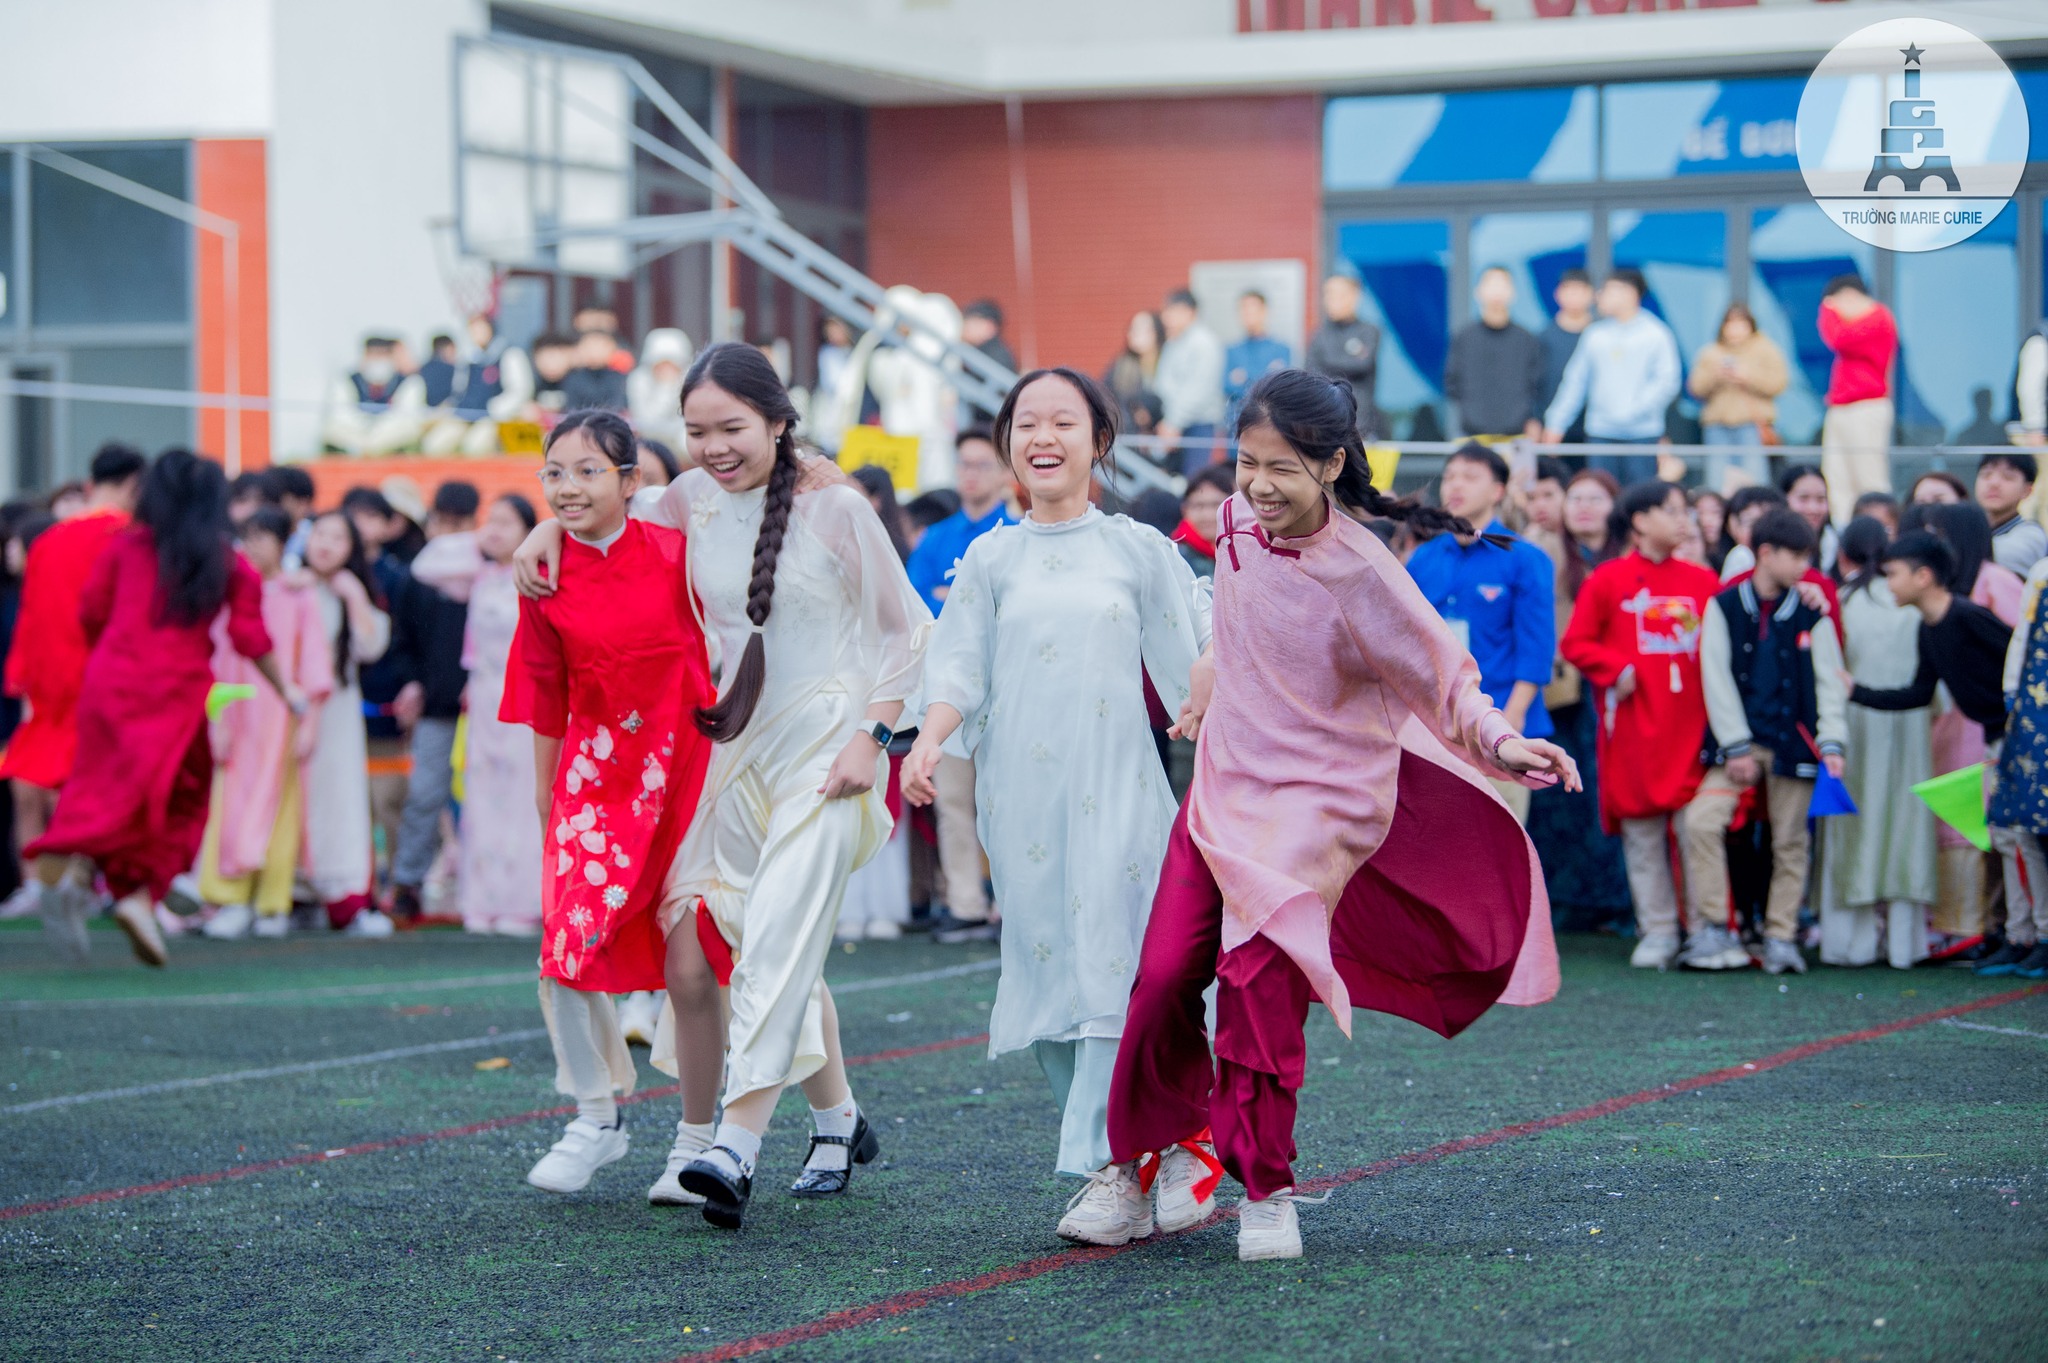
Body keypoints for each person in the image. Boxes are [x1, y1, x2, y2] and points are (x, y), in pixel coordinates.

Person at [1108, 369, 1569, 1261]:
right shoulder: (1234, 524)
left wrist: (1504, 741)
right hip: (1224, 788)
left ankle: (1265, 1189)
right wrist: (1208, 679)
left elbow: (1445, 677)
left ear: (1329, 465)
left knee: (1256, 987)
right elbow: (1233, 626)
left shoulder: (1364, 571)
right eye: (1246, 462)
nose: (1257, 485)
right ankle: (1151, 1157)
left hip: (1316, 805)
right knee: (1161, 977)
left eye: (1280, 467)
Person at [517, 345, 930, 1229]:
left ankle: (732, 1142)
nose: (713, 447)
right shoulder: (688, 499)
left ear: (778, 420)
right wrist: (543, 530)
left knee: (775, 925)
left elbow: (909, 632)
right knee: (732, 934)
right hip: (733, 749)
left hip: (832, 749)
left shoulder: (837, 508)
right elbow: (602, 517)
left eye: (732, 427)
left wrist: (874, 738)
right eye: (697, 430)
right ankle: (837, 1116)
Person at [902, 366, 1209, 1246]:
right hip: (1022, 805)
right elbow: (957, 666)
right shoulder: (990, 559)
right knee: (1048, 978)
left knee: (1117, 964)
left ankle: (1117, 1165)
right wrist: (928, 740)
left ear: (1098, 441)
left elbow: (1195, 640)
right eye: (1026, 422)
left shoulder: (1136, 549)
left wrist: (1204, 688)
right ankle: (1160, 1147)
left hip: (1119, 790)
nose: (1042, 436)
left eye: (1063, 421)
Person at [497, 412, 720, 1199]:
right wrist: (547, 794)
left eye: (589, 470)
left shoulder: (682, 553)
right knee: (566, 948)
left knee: (695, 963)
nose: (568, 488)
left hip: (692, 774)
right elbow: (544, 692)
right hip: (595, 785)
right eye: (554, 472)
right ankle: (596, 1117)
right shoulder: (543, 576)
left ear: (632, 481)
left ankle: (698, 1141)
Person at [26, 452, 298, 966]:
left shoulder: (124, 549)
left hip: (111, 684)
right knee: (176, 798)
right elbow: (250, 637)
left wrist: (110, 661)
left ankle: (77, 860)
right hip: (175, 692)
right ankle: (135, 890)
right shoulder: (224, 561)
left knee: (102, 788)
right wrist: (287, 690)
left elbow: (91, 611)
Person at [1559, 480, 1724, 969]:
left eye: (1685, 510)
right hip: (1633, 731)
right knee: (1643, 836)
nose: (1683, 520)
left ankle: (1703, 929)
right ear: (1639, 520)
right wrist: (1616, 669)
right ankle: (1658, 929)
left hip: (1693, 730)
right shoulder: (1607, 580)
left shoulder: (1704, 582)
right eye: (1670, 510)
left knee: (1694, 833)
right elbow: (1576, 643)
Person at [1681, 508, 1848, 976]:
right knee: (1701, 821)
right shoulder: (1724, 605)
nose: (1804, 567)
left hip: (1795, 743)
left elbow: (1830, 683)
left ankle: (1780, 935)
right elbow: (1715, 676)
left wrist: (1832, 742)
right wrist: (1735, 746)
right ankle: (1716, 927)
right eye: (1796, 556)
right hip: (1743, 742)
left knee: (1791, 842)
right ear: (1766, 553)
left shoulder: (1812, 610)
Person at [3, 442, 144, 931]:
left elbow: (31, 619)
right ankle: (89, 882)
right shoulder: (130, 538)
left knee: (36, 786)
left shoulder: (49, 541)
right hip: (107, 683)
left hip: (50, 687)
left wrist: (24, 683)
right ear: (134, 485)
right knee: (103, 790)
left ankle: (42, 884)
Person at [197, 508, 332, 941]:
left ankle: (273, 902)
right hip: (237, 715)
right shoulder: (230, 594)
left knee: (280, 808)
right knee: (230, 807)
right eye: (247, 538)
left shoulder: (298, 595)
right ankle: (230, 899)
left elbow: (314, 663)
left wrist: (308, 723)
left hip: (280, 718)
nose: (253, 547)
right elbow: (217, 658)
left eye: (263, 537)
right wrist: (216, 720)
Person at [902, 429, 1014, 943]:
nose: (971, 474)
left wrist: (952, 596)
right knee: (952, 801)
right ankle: (966, 903)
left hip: (1006, 688)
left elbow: (1004, 608)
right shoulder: (937, 537)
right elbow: (915, 602)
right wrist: (957, 599)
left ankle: (1009, 904)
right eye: (964, 464)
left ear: (1004, 472)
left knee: (1008, 800)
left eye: (982, 464)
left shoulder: (1016, 532)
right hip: (946, 687)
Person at [1406, 442, 1556, 821]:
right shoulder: (1424, 558)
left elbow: (1536, 650)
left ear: (1498, 491)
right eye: (1450, 477)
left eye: (1470, 477)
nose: (1455, 485)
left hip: (1503, 721)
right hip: (1436, 730)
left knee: (1500, 840)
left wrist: (1511, 720)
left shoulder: (1524, 558)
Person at [1819, 517, 1934, 970]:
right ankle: (1906, 945)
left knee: (1853, 828)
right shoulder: (1911, 602)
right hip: (1911, 726)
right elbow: (1936, 691)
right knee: (1906, 826)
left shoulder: (1840, 601)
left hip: (1854, 726)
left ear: (1843, 554)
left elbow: (1829, 673)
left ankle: (1850, 945)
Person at [1524, 468, 1631, 932]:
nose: (1584, 507)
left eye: (1595, 498)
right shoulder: (1545, 549)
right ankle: (1565, 898)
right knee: (1560, 797)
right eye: (1576, 498)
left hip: (1618, 688)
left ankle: (1616, 900)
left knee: (1608, 792)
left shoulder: (1627, 556)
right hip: (1562, 689)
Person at [386, 482, 479, 922]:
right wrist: (412, 684)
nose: (452, 533)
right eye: (445, 522)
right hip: (436, 709)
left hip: (490, 710)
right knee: (424, 796)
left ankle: (482, 888)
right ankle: (408, 883)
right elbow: (402, 639)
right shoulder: (418, 577)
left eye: (461, 524)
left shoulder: (488, 572)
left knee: (487, 800)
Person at [299, 510, 395, 936]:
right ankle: (291, 894)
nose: (325, 544)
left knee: (336, 799)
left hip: (335, 716)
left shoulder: (348, 590)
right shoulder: (289, 586)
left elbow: (370, 646)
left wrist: (354, 595)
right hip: (287, 711)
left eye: (338, 538)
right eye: (320, 533)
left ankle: (343, 896)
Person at [453, 493, 543, 937]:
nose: (495, 530)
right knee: (482, 796)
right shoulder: (480, 579)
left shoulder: (541, 577)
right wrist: (481, 539)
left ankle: (523, 902)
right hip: (484, 702)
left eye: (507, 522)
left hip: (528, 700)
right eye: (491, 521)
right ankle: (481, 900)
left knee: (524, 797)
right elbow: (427, 565)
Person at [1541, 270, 1681, 484]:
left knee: (1639, 496)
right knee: (1601, 493)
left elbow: (1667, 382)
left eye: (1606, 290)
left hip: (1642, 435)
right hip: (1601, 433)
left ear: (1629, 293)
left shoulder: (1656, 333)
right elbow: (1575, 382)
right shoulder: (1595, 334)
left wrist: (1632, 411)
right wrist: (1556, 423)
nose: (1599, 297)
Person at [1982, 554, 2048, 978]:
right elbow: (2023, 643)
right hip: (2036, 720)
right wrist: (2014, 704)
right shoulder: (2042, 574)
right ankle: (2031, 934)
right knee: (2026, 831)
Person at [1817, 275, 1898, 519]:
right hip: (1841, 406)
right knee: (1836, 479)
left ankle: (1879, 529)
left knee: (1869, 478)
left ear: (1851, 296)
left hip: (1866, 406)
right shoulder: (1864, 320)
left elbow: (1838, 338)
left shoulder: (1878, 317)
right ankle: (1845, 531)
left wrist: (1828, 309)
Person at [1687, 302, 1788, 491]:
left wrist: (1747, 376)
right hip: (1717, 426)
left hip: (1751, 425)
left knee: (1754, 481)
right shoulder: (1711, 352)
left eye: (1740, 323)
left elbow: (1779, 383)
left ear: (1751, 325)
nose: (1735, 329)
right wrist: (1716, 376)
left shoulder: (1765, 349)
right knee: (1717, 482)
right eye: (1730, 323)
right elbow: (1696, 388)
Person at [1443, 267, 1543, 441]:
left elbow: (1536, 384)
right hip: (1472, 436)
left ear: (1513, 292)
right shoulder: (1465, 338)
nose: (1497, 291)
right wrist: (1471, 412)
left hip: (1516, 437)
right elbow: (1452, 382)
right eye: (1491, 284)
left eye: (1502, 285)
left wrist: (1528, 417)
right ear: (1478, 292)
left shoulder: (1526, 340)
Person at [1155, 290, 1227, 477]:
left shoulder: (1204, 343)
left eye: (1172, 310)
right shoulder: (1173, 342)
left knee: (1195, 480)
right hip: (1171, 424)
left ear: (1190, 312)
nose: (1166, 317)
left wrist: (1174, 423)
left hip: (1198, 425)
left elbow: (1199, 390)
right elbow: (1162, 383)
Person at [1305, 273, 1380, 443]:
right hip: (1324, 425)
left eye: (1338, 294)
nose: (1330, 300)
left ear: (1355, 296)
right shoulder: (1319, 335)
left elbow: (1362, 365)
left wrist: (1326, 363)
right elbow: (1310, 373)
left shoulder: (1368, 331)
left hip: (1360, 427)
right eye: (1328, 294)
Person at [323, 335, 429, 454]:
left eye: (382, 355)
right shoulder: (347, 380)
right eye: (373, 354)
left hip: (388, 433)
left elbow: (406, 415)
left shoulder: (408, 381)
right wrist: (365, 428)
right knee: (333, 428)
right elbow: (341, 413)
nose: (377, 360)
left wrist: (378, 430)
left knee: (407, 429)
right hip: (356, 432)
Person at [1536, 269, 1594, 446]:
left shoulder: (1602, 337)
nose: (1574, 296)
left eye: (1580, 290)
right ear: (1557, 294)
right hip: (1551, 431)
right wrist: (1536, 420)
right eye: (1569, 290)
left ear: (1591, 294)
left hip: (1595, 430)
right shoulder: (1543, 338)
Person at [1223, 291, 1292, 433]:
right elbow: (1227, 386)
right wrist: (1265, 375)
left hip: (1271, 427)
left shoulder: (1281, 349)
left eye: (1252, 309)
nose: (1247, 314)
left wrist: (1244, 378)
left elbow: (1280, 388)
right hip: (1238, 426)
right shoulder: (1232, 350)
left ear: (1264, 311)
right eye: (1243, 310)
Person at [1977, 452, 2045, 576]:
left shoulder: (2031, 535)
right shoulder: (1972, 528)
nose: (1993, 484)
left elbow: (2008, 556)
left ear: (2027, 490)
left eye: (2007, 477)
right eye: (1986, 475)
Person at [628, 328, 694, 453]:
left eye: (671, 362)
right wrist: (665, 388)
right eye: (661, 362)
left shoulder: (690, 378)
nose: (666, 368)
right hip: (650, 441)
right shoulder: (639, 379)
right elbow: (647, 421)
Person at [1105, 311, 1165, 440]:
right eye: (1132, 329)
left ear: (1157, 332)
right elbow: (1106, 399)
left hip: (1167, 438)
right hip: (1130, 439)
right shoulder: (1121, 366)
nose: (1133, 334)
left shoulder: (1169, 362)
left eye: (1141, 329)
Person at [1173, 465, 1234, 579]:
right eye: (1198, 506)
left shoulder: (1246, 555)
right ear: (1184, 510)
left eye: (1216, 505)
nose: (1208, 515)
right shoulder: (1174, 558)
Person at [1718, 484, 1788, 583]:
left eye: (1770, 523)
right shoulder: (1741, 556)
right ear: (1733, 526)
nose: (1761, 530)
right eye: (1752, 523)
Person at [1779, 464, 1840, 575]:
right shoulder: (1772, 545)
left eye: (1821, 499)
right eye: (1803, 498)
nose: (1813, 509)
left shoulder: (1835, 543)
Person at [562, 329, 631, 412]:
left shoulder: (619, 379)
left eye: (601, 346)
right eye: (589, 346)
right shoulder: (572, 378)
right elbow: (571, 408)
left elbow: (618, 406)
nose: (594, 351)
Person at [1692, 489, 1730, 574]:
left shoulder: (1732, 552)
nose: (1708, 519)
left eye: (1715, 512)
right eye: (1701, 513)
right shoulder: (1688, 551)